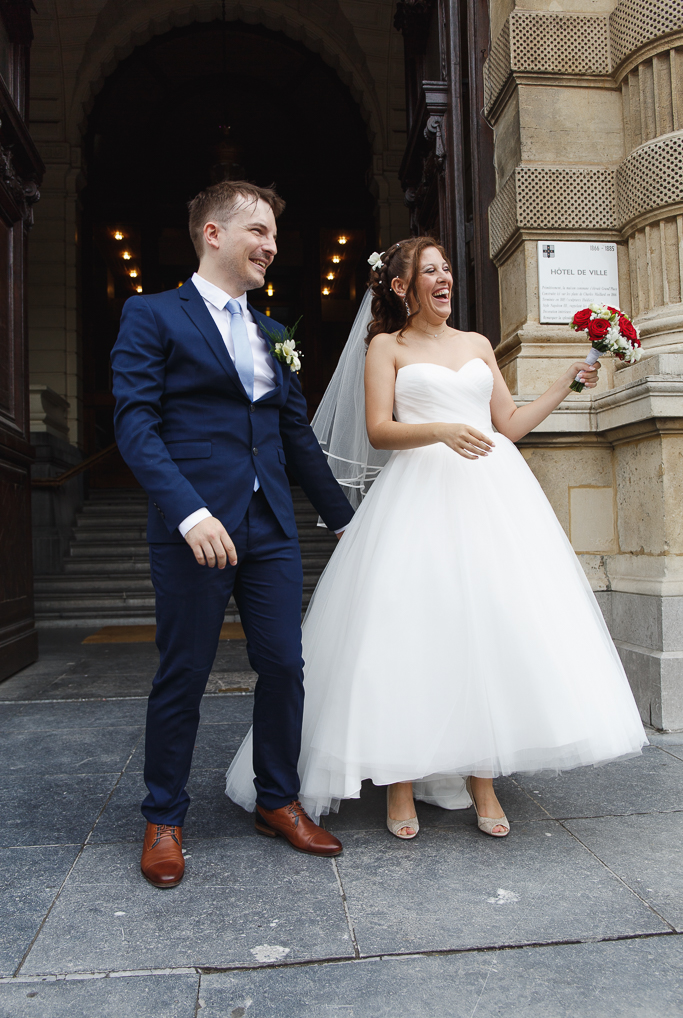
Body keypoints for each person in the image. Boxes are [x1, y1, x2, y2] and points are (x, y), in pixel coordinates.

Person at [225, 236, 647, 840]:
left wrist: (565, 382)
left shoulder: (477, 345)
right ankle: (400, 780)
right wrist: (442, 430)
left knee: (485, 627)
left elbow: (509, 425)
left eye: (447, 267)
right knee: (411, 631)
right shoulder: (385, 347)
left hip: (491, 497)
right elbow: (378, 430)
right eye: (429, 271)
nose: (443, 277)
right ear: (401, 287)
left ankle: (482, 776)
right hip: (416, 498)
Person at [111, 181, 354, 887]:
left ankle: (277, 800)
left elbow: (293, 436)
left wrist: (343, 518)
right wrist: (189, 512)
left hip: (270, 524)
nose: (271, 245)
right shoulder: (151, 314)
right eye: (257, 230)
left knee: (283, 665)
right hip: (195, 526)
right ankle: (163, 817)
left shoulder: (274, 334)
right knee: (182, 671)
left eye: (275, 234)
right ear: (212, 233)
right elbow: (135, 423)